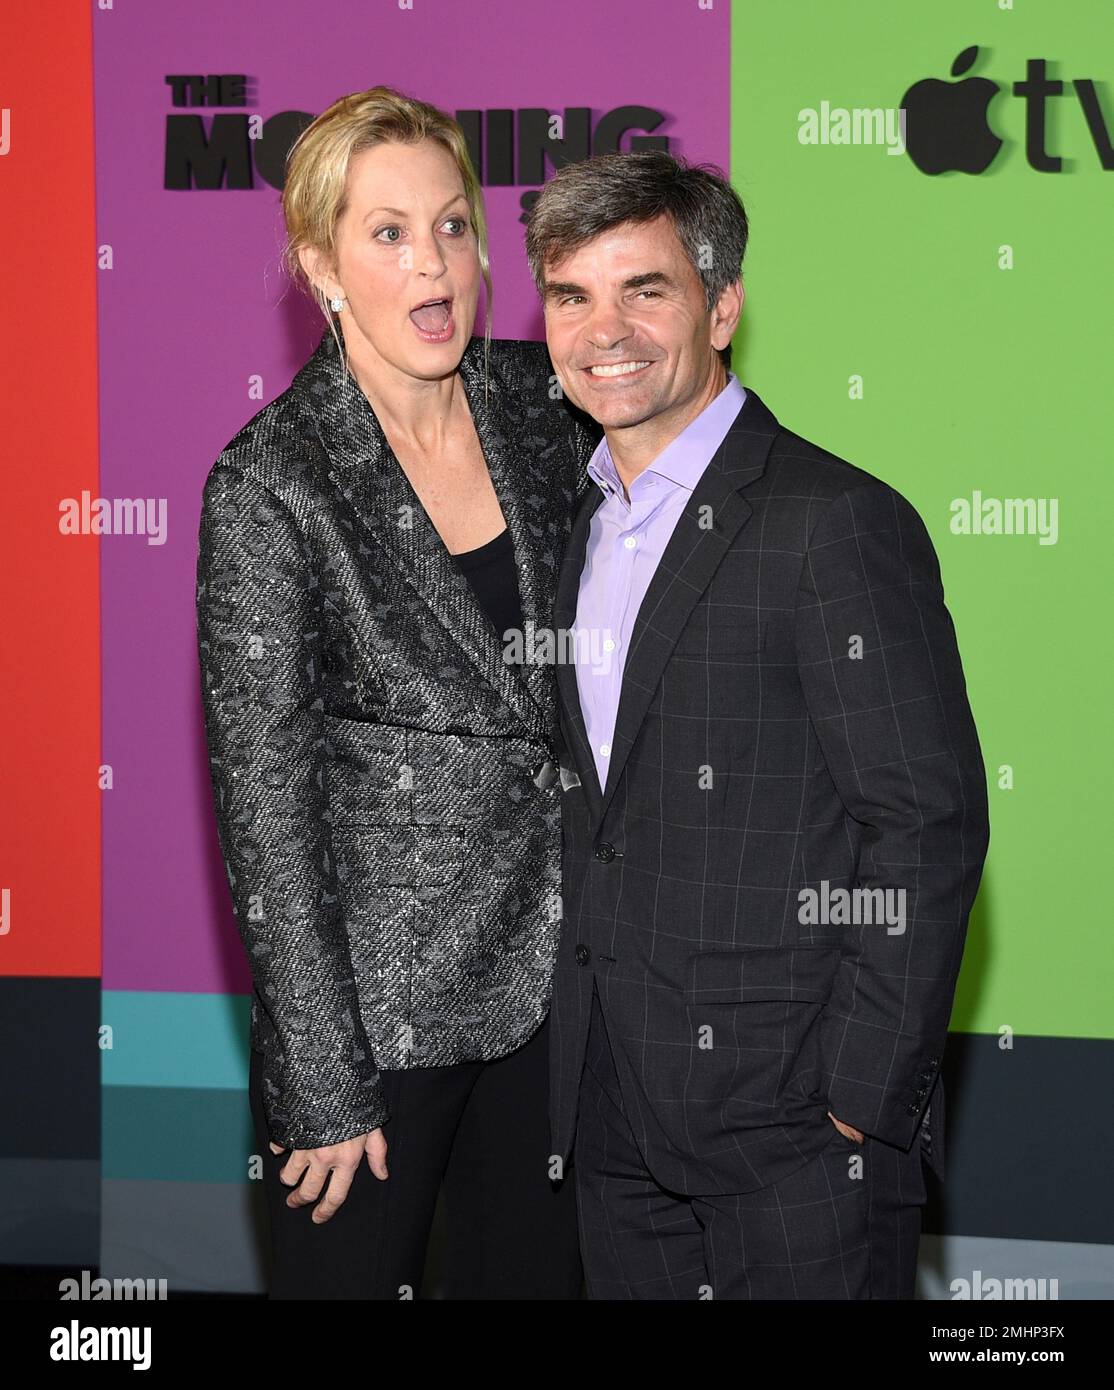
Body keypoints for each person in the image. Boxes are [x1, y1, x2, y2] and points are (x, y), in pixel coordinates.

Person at [526, 150, 990, 1299]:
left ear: (722, 304)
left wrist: (855, 1101)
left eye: (646, 289)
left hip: (795, 1138)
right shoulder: (566, 525)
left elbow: (925, 823)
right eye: (571, 295)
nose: (605, 330)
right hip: (613, 1118)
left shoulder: (832, 521)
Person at [195, 87, 593, 1299]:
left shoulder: (542, 405)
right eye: (386, 233)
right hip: (381, 1022)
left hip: (561, 984)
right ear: (319, 262)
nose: (434, 264)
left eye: (454, 225)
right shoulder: (270, 484)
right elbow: (264, 804)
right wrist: (320, 1078)